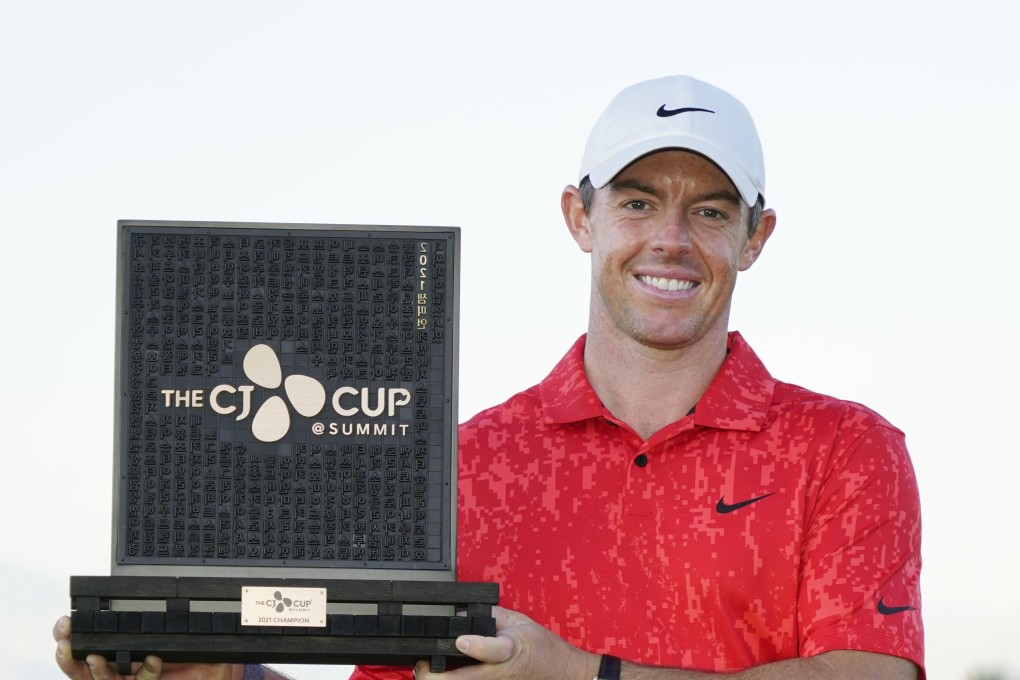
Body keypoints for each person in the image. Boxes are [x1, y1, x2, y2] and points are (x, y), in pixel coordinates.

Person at [54, 75, 924, 680]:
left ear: (756, 237)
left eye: (710, 209)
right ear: (579, 217)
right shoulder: (464, 464)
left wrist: (582, 674)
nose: (672, 239)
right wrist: (224, 675)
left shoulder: (845, 450)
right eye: (636, 201)